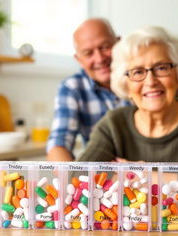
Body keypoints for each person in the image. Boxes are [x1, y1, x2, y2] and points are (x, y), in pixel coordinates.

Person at [77, 26, 178, 203]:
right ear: (126, 85)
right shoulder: (114, 123)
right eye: (138, 72)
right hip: (129, 229)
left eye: (161, 68)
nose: (150, 81)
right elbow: (78, 176)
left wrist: (142, 175)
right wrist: (175, 182)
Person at [46, 18, 129, 161]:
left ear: (119, 43)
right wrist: (73, 179)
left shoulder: (142, 77)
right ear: (78, 59)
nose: (99, 58)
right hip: (101, 178)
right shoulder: (71, 88)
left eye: (104, 47)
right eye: (88, 53)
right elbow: (59, 143)